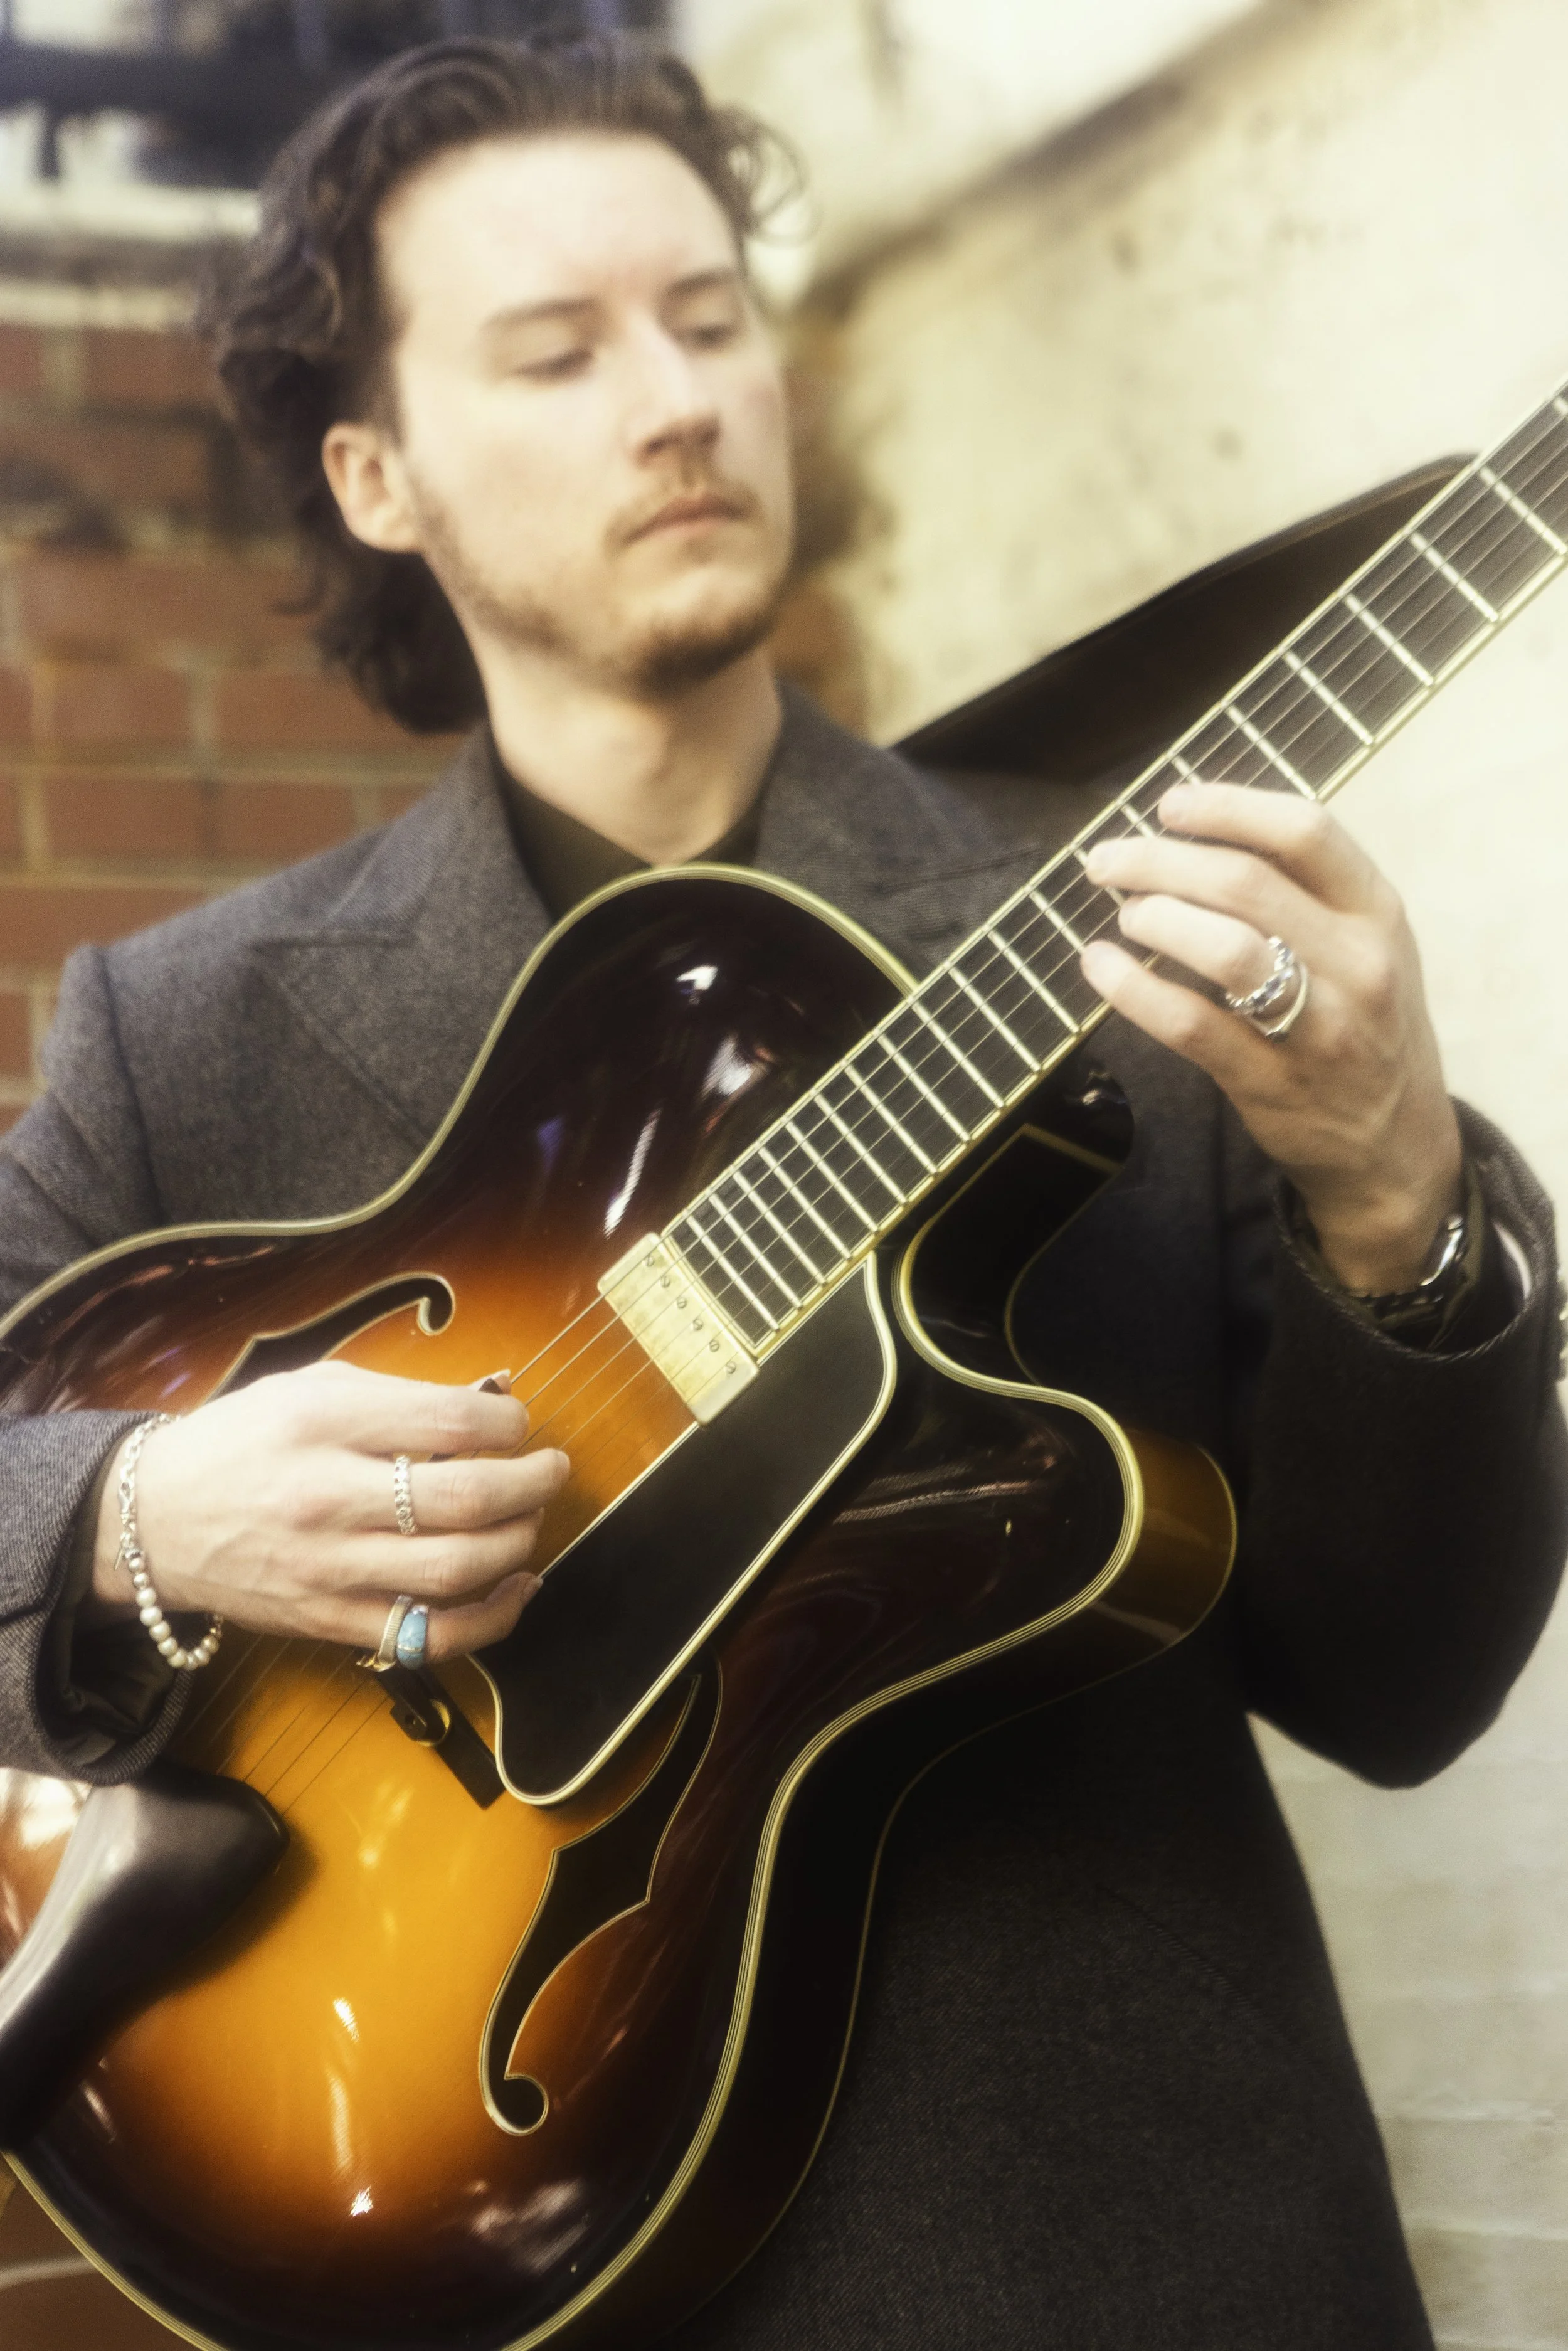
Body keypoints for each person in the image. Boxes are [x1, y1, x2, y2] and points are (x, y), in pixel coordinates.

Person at [0, 32, 1562, 2350]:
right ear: (377, 470)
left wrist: (1396, 1202)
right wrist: (145, 1508)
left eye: (711, 316)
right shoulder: (188, 1031)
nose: (675, 398)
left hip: (1125, 2259)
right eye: (557, 348)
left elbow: (1405, 1683)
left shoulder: (1116, 908)